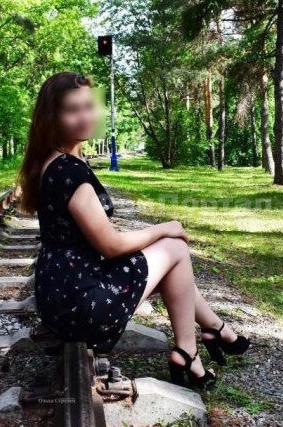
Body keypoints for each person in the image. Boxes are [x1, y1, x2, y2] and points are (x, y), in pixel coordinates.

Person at [17, 71, 250, 388]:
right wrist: (163, 229)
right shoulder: (68, 171)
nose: (85, 117)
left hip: (61, 296)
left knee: (169, 263)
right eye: (72, 110)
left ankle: (213, 331)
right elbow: (110, 245)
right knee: (175, 248)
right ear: (52, 118)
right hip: (81, 305)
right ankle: (191, 349)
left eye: (89, 106)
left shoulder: (53, 160)